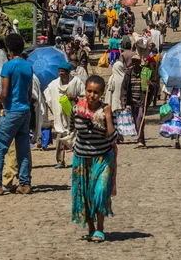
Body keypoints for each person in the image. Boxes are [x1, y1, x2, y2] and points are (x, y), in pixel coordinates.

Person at [0, 34, 33, 196]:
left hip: (12, 111)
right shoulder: (28, 66)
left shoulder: (8, 66)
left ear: (8, 49)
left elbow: (4, 91)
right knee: (23, 149)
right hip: (25, 110)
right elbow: (30, 92)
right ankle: (24, 183)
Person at [70, 75, 117, 243]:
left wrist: (108, 117)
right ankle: (91, 228)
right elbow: (72, 129)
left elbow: (113, 139)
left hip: (102, 159)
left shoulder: (105, 111)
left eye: (96, 92)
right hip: (82, 159)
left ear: (101, 93)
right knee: (85, 195)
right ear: (85, 91)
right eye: (89, 91)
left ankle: (100, 229)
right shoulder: (76, 110)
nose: (92, 95)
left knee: (100, 192)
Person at [44, 61, 85, 169]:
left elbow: (85, 97)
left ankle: (79, 159)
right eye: (59, 71)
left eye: (63, 71)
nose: (61, 73)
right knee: (60, 139)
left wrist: (75, 98)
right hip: (59, 117)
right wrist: (51, 117)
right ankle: (60, 161)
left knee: (76, 139)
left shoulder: (76, 82)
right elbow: (48, 99)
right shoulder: (53, 85)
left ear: (68, 72)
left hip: (74, 116)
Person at [122, 56, 147, 148]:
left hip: (142, 101)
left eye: (137, 61)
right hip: (132, 101)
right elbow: (124, 88)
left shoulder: (144, 72)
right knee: (136, 120)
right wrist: (123, 101)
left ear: (140, 62)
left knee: (140, 119)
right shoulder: (128, 73)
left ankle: (140, 139)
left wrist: (150, 84)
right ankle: (141, 139)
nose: (135, 63)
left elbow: (153, 87)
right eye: (134, 61)